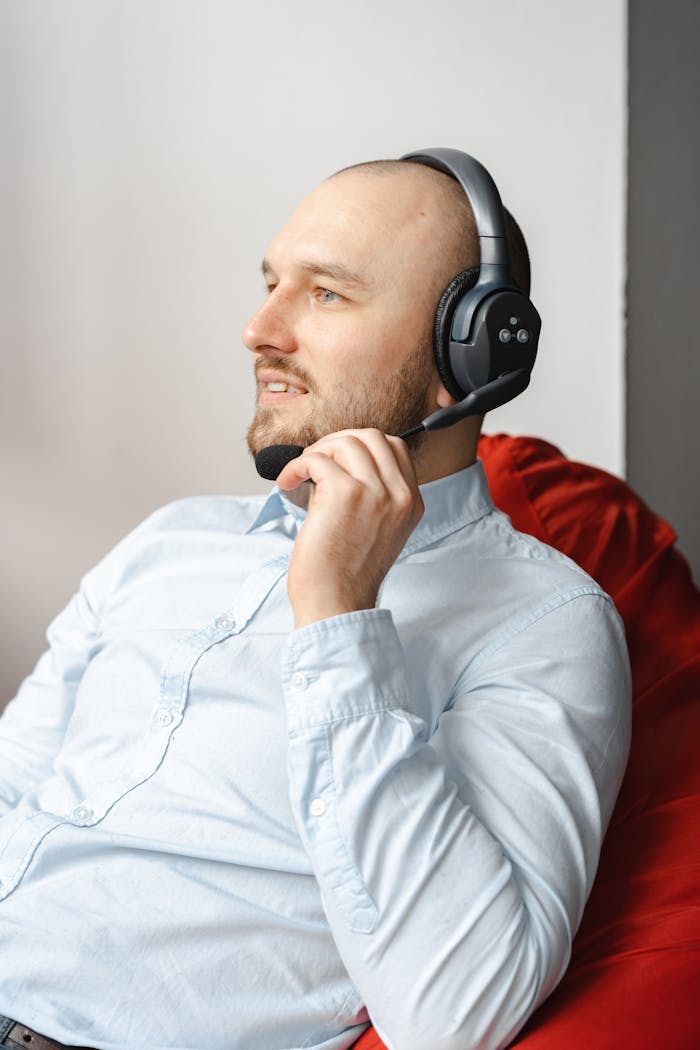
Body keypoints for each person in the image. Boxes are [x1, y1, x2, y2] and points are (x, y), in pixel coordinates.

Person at [0, 152, 631, 1050]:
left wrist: (339, 612)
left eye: (326, 294)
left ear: (473, 349)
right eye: (270, 284)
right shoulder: (171, 540)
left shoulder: (544, 621)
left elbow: (459, 1014)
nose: (260, 329)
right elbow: (15, 782)